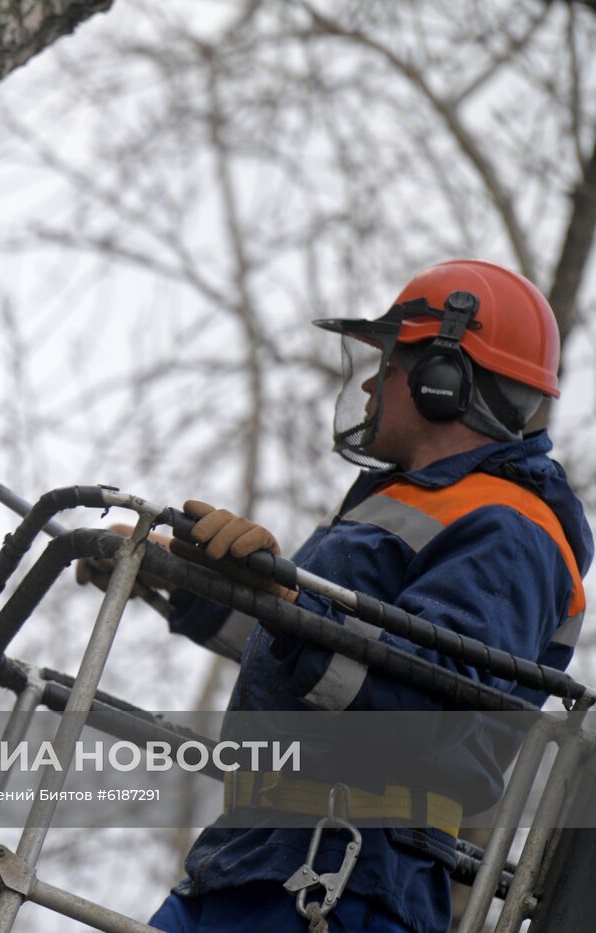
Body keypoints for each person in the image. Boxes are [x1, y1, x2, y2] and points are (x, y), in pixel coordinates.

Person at [79, 259, 592, 933]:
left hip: (347, 873)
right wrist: (190, 583)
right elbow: (306, 657)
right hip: (256, 854)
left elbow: (427, 704)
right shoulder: (411, 503)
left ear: (446, 381)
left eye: (391, 364)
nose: (372, 383)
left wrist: (286, 595)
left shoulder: (511, 527)